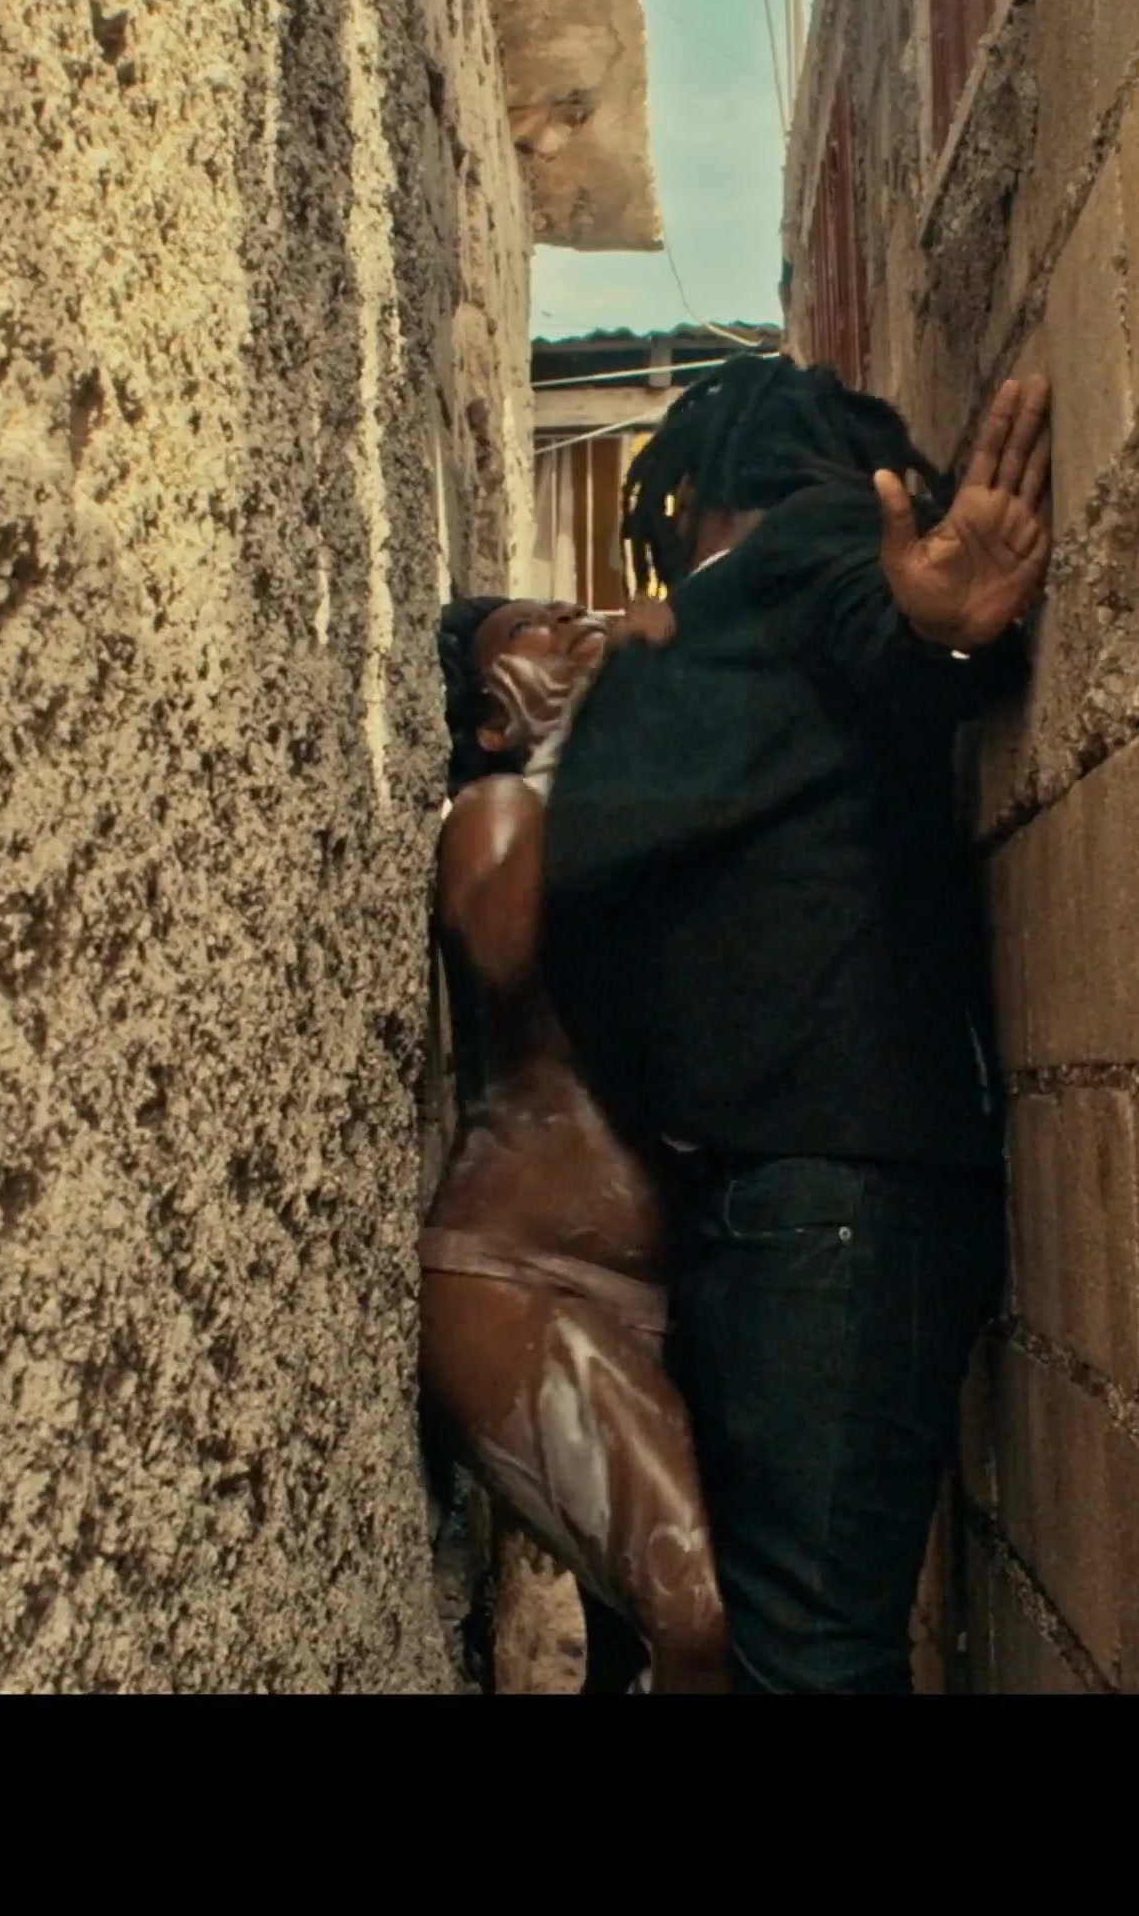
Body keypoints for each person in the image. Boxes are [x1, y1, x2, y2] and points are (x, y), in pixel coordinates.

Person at [536, 357, 1053, 1693]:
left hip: (832, 1201)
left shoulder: (804, 544)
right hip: (788, 1201)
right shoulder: (712, 637)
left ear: (706, 487)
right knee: (773, 1646)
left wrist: (941, 633)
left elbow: (887, 630)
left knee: (808, 1660)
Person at [418, 592, 728, 1693]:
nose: (567, 621)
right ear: (493, 721)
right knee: (700, 1613)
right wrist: (575, 749)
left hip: (646, 1299)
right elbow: (504, 950)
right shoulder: (495, 808)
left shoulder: (615, 832)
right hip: (524, 1283)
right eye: (529, 634)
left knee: (639, 1648)